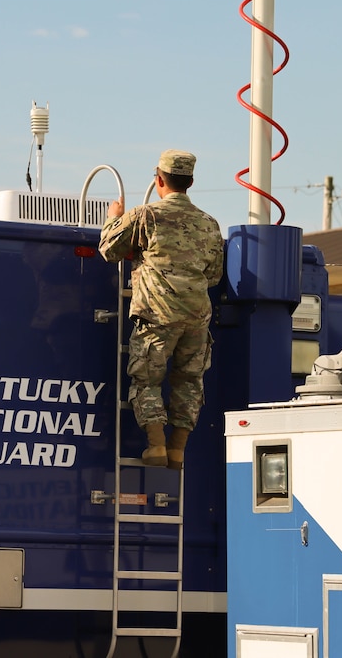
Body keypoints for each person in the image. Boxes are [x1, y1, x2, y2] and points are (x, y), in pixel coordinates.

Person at [98, 149, 225, 469]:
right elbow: (213, 275)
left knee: (147, 380)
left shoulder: (146, 216)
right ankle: (178, 450)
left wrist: (113, 217)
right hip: (197, 318)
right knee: (189, 383)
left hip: (157, 315)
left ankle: (156, 446)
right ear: (191, 182)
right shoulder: (210, 224)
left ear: (159, 180)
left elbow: (108, 249)